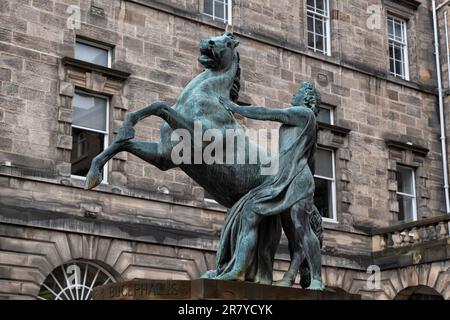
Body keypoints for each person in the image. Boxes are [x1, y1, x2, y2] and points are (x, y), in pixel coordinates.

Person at [214, 81, 324, 290]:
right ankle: (238, 268)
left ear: (307, 99)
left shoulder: (304, 113)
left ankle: (316, 279)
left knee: (302, 229)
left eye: (299, 92)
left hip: (297, 180)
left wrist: (236, 108)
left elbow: (268, 113)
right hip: (285, 177)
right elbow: (312, 160)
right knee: (250, 211)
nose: (295, 94)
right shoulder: (308, 124)